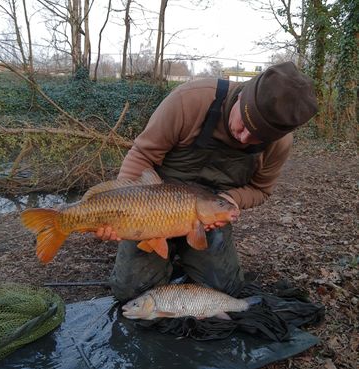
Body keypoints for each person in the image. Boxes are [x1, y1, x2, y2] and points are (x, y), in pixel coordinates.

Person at [96, 61, 318, 302]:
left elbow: (261, 189)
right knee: (132, 294)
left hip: (208, 213)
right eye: (244, 124)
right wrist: (123, 210)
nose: (244, 138)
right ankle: (166, 253)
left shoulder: (279, 144)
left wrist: (228, 200)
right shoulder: (189, 100)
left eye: (258, 138)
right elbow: (142, 155)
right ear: (242, 95)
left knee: (224, 292)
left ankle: (184, 252)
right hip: (152, 205)